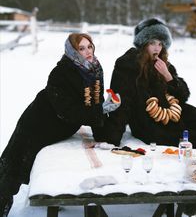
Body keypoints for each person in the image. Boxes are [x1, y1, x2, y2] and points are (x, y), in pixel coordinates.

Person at [102, 18, 196, 217]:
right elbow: (121, 103)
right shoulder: (126, 65)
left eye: (160, 43)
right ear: (142, 43)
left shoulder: (163, 64)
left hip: (173, 113)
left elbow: (183, 95)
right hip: (148, 121)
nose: (157, 48)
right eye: (152, 43)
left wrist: (169, 77)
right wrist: (111, 137)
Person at [0, 33, 120, 217]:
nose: (88, 51)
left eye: (90, 46)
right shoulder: (61, 72)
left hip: (59, 128)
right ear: (73, 51)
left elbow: (95, 101)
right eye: (81, 48)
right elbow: (68, 111)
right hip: (37, 123)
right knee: (11, 171)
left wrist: (104, 127)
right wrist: (100, 111)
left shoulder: (94, 69)